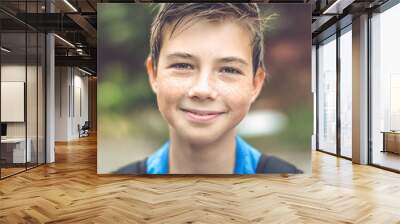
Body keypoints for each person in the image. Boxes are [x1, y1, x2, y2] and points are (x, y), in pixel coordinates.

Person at [117, 3, 302, 174]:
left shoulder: (292, 185)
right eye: (182, 65)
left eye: (229, 69)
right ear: (154, 74)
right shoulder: (119, 192)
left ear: (255, 84)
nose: (202, 89)